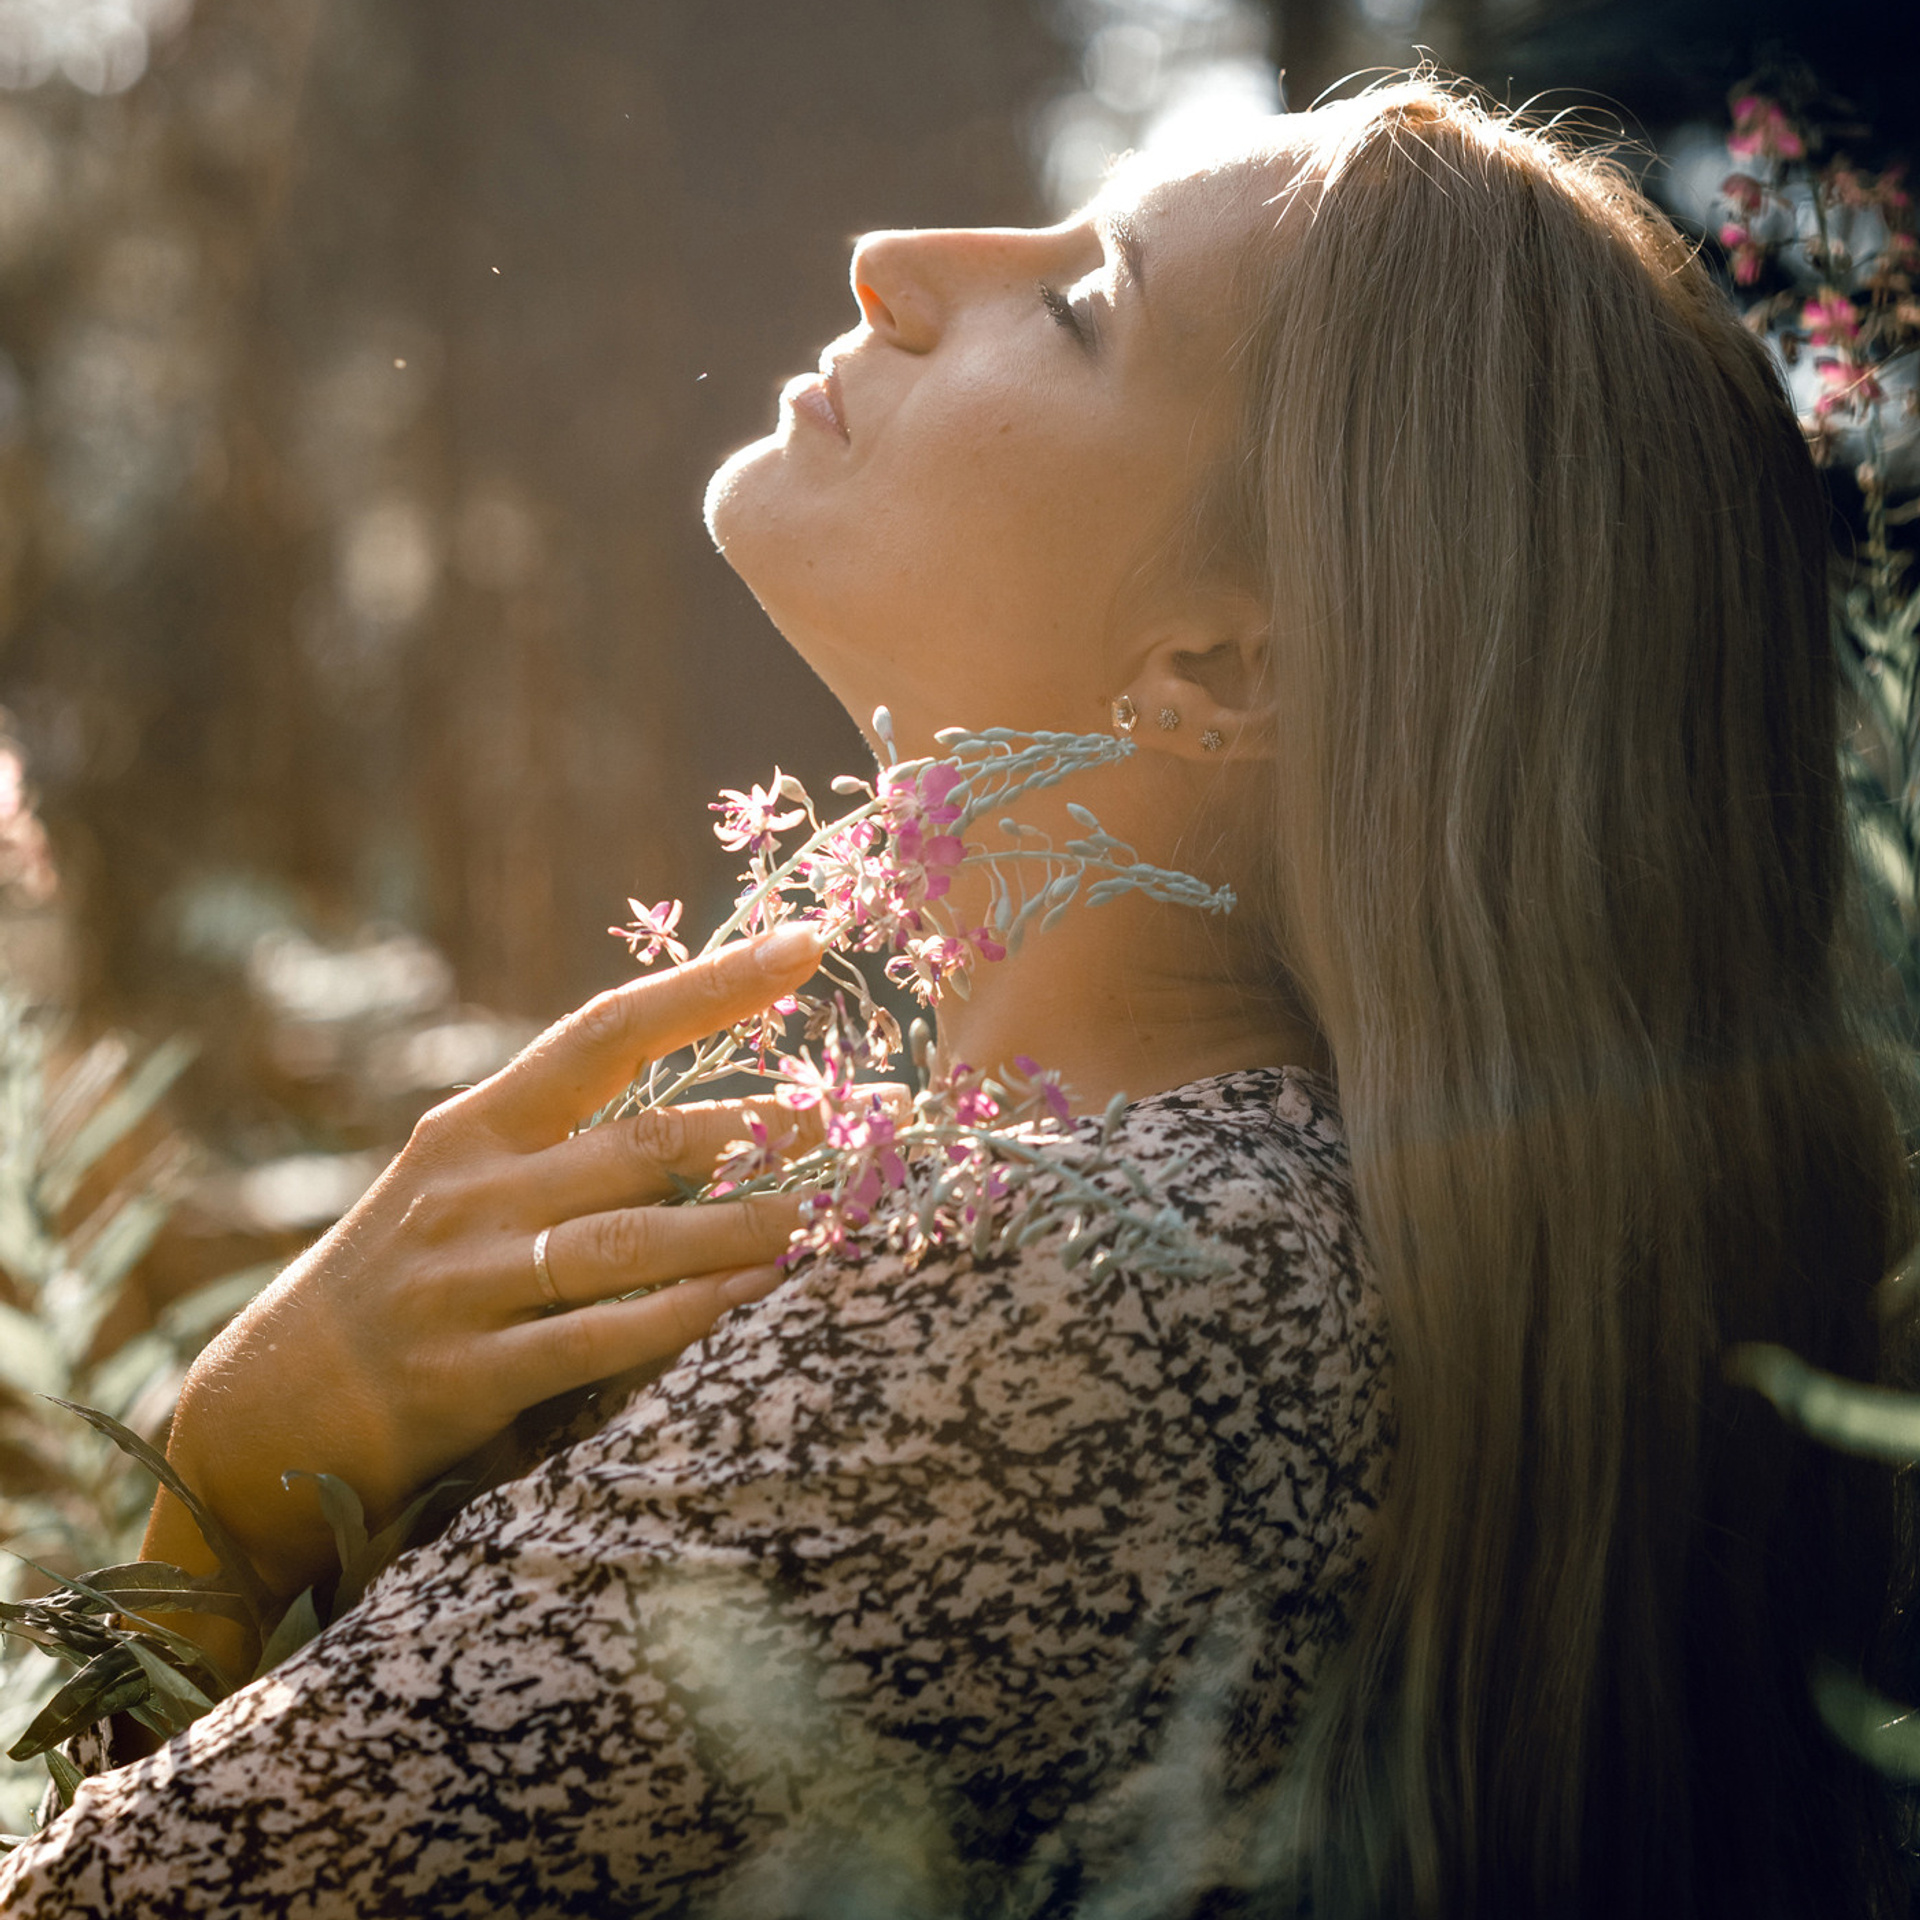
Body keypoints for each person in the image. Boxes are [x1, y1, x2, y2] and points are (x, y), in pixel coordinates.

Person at [0, 74, 1910, 1919]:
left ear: (1222, 663)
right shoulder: (1195, 1244)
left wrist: (228, 1498)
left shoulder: (1110, 1312)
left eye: (1084, 307)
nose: (893, 260)